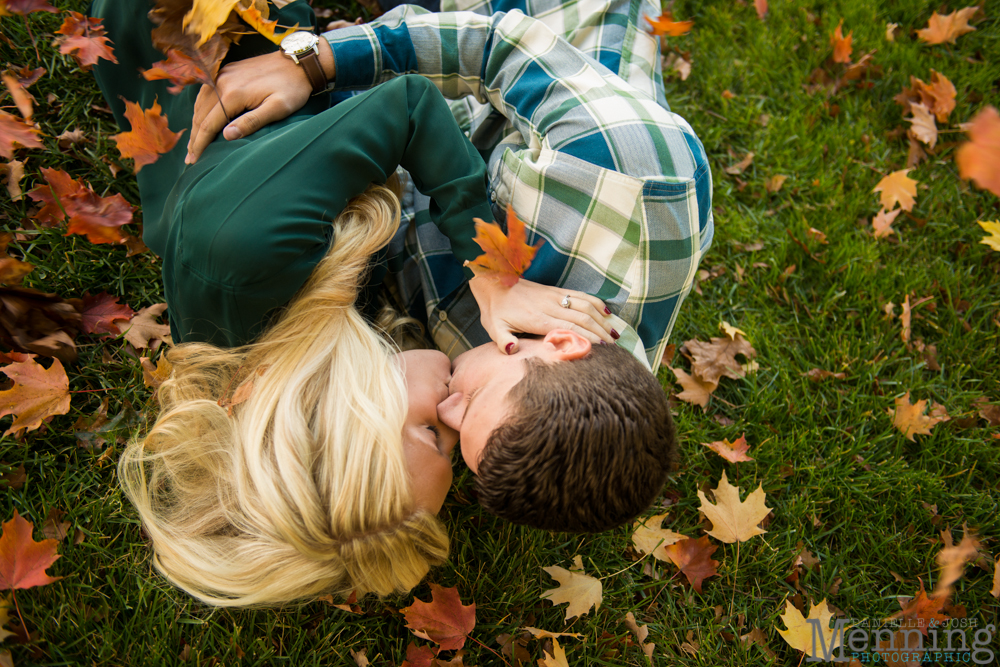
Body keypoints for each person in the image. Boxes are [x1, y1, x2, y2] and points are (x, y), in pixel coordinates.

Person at [94, 0, 615, 606]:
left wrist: (493, 271)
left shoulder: (246, 258)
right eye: (456, 450)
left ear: (342, 408)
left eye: (430, 431)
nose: (453, 415)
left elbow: (411, 106)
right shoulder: (288, 355)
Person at [187, 0, 713, 532]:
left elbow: (416, 208)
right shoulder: (627, 179)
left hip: (459, 108)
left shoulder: (518, 379)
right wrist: (318, 62)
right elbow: (491, 48)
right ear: (564, 344)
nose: (448, 413)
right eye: (475, 402)